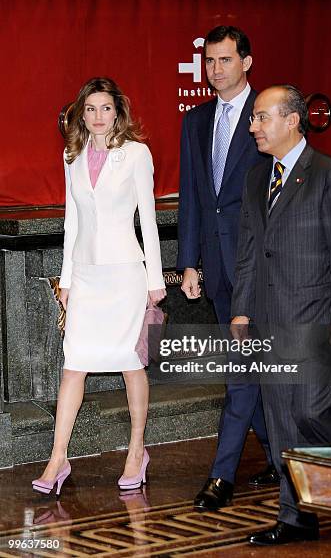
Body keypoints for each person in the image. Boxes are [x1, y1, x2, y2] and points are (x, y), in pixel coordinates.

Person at [231, 84, 331, 545]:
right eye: (252, 118)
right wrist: (241, 313)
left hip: (317, 322)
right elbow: (249, 252)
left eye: (262, 117)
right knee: (283, 419)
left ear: (292, 120)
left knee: (312, 410)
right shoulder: (255, 179)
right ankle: (296, 516)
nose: (253, 127)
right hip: (269, 324)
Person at [32, 77, 166, 496]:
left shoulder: (137, 154)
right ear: (80, 114)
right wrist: (68, 281)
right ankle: (58, 457)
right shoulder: (71, 155)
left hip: (126, 272)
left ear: (118, 111)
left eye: (105, 108)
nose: (97, 117)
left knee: (131, 363)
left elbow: (148, 218)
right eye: (90, 109)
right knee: (74, 364)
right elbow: (72, 223)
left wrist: (155, 280)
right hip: (87, 276)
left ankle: (137, 449)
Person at [177, 26, 278, 512]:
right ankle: (282, 459)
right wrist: (189, 264)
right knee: (249, 368)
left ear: (247, 62)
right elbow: (195, 199)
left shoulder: (269, 115)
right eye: (210, 61)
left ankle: (222, 476)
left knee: (240, 371)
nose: (216, 69)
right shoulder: (195, 121)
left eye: (225, 60)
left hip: (259, 267)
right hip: (215, 268)